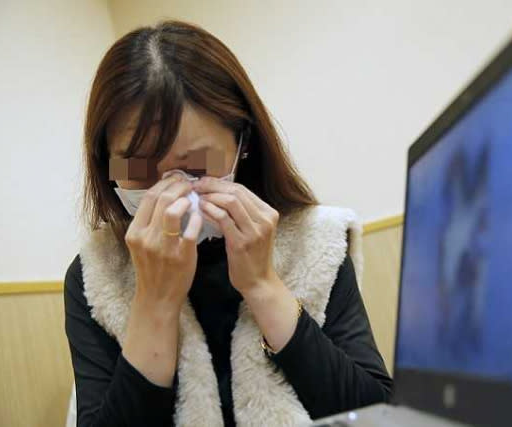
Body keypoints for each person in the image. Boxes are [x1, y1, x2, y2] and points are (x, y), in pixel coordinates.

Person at [63, 20, 392, 427]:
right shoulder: (95, 276)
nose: (170, 192)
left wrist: (263, 285)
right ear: (106, 164)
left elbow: (376, 414)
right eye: (140, 169)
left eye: (194, 166)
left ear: (244, 144)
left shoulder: (317, 241)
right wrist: (154, 303)